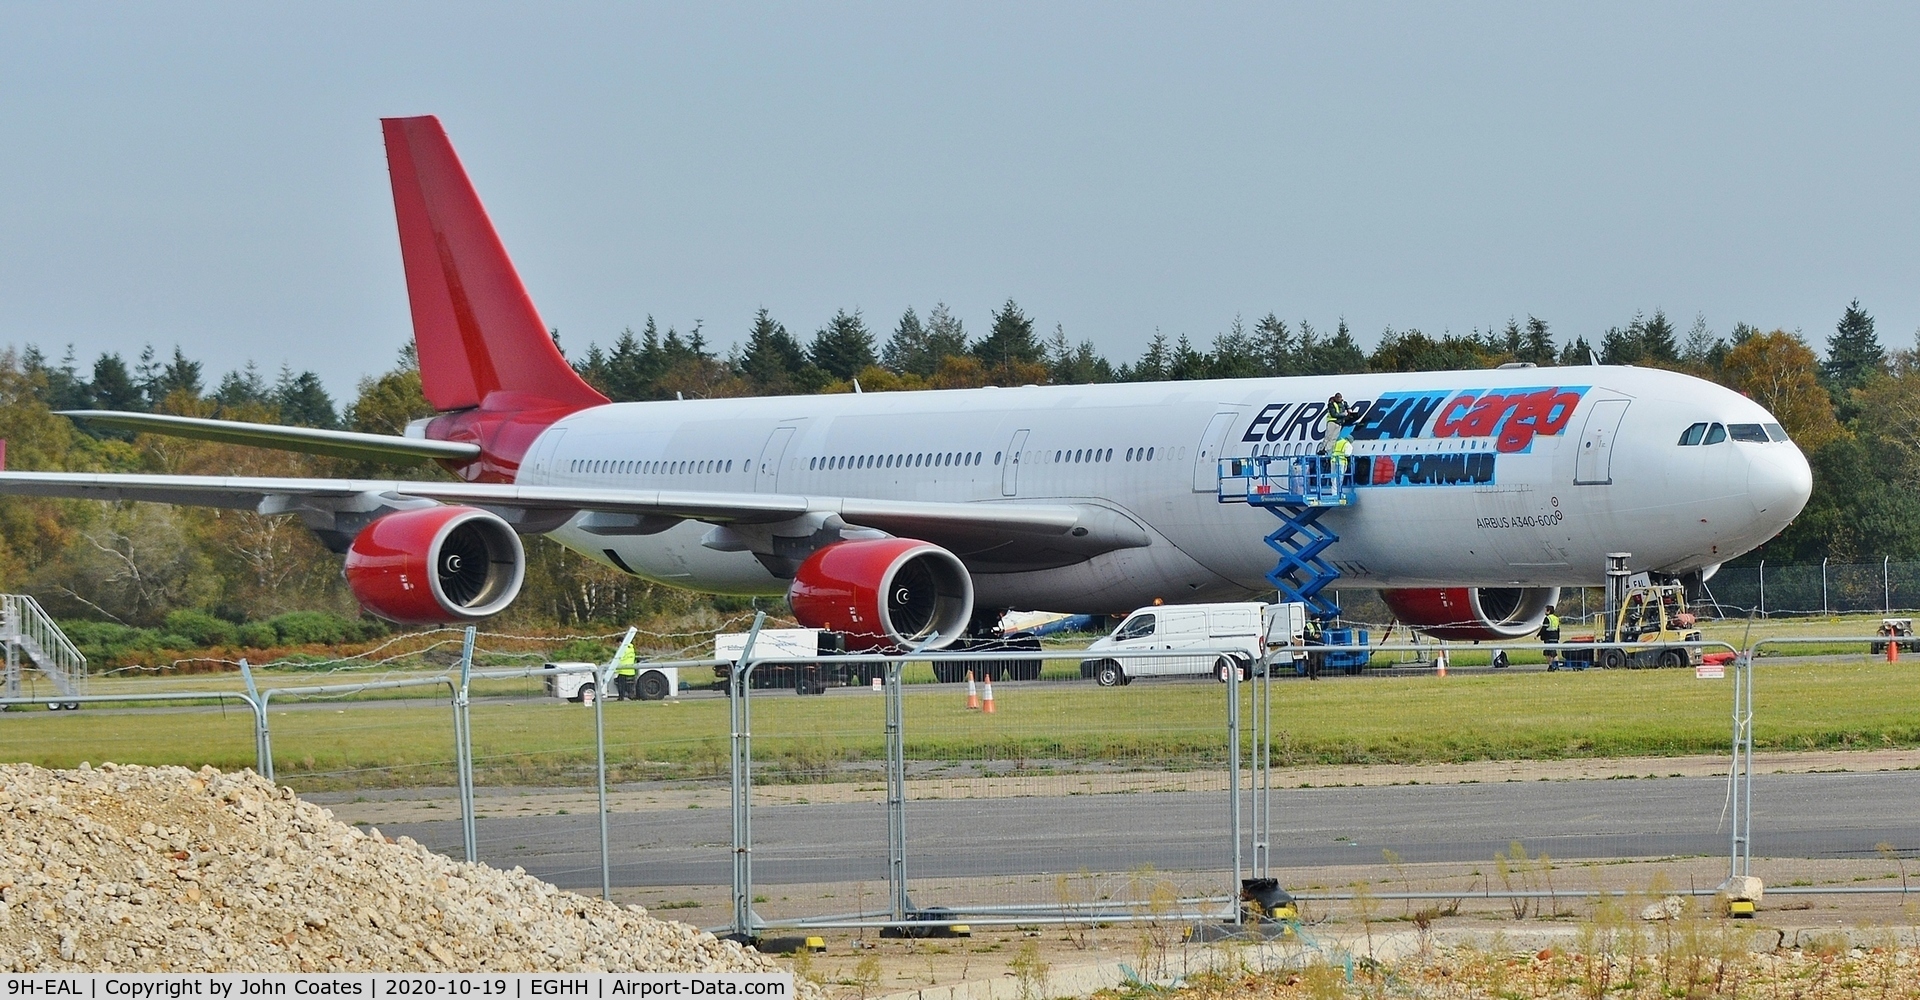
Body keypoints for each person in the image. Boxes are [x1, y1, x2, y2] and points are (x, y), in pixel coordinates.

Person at [1540, 605, 1562, 672]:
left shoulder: (1547, 619)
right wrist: (1558, 637)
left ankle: (1550, 666)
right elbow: (1558, 629)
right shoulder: (1556, 618)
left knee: (1547, 653)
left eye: (1545, 610)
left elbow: (1543, 629)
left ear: (1548, 611)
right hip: (1555, 637)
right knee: (1554, 653)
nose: (1544, 612)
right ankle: (1557, 666)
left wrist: (1538, 635)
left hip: (1548, 637)